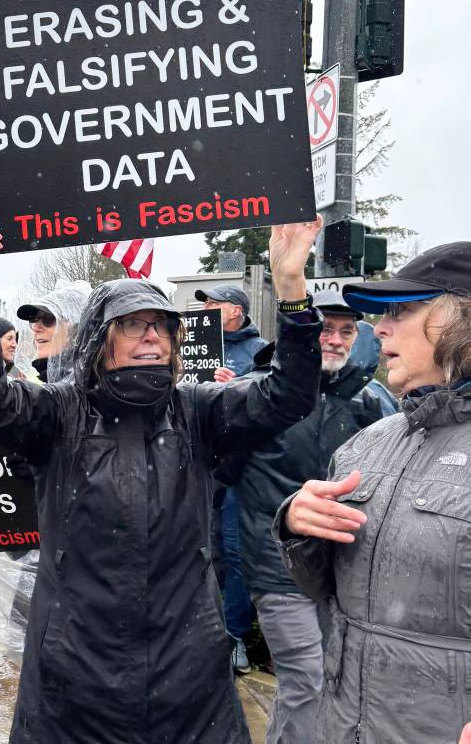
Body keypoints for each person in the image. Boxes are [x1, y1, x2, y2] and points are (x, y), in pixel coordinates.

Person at [0, 213, 323, 743]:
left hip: (187, 670)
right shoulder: (60, 414)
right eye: (133, 323)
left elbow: (288, 394)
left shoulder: (197, 411)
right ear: (101, 338)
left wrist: (290, 285)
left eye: (162, 325)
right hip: (75, 671)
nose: (152, 335)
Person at [277, 241, 471, 744]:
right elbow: (322, 589)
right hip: (345, 724)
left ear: (461, 320)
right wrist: (298, 524)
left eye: (402, 311)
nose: (378, 328)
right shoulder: (371, 441)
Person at [234, 289, 392, 744]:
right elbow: (216, 474)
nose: (336, 340)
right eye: (326, 328)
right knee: (307, 679)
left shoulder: (372, 400)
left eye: (346, 331)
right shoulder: (261, 394)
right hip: (277, 570)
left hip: (343, 569)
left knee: (318, 684)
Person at [198, 283, 268, 673]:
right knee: (205, 553)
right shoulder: (191, 346)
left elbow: (272, 408)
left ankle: (235, 635)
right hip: (201, 468)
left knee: (235, 552)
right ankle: (203, 628)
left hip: (242, 473)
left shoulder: (260, 352)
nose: (206, 308)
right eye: (204, 302)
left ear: (237, 311)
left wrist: (235, 389)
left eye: (213, 303)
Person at [16, 280, 91, 383]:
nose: (36, 327)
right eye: (33, 319)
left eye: (48, 319)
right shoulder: (45, 381)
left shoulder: (84, 385)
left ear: (75, 330)